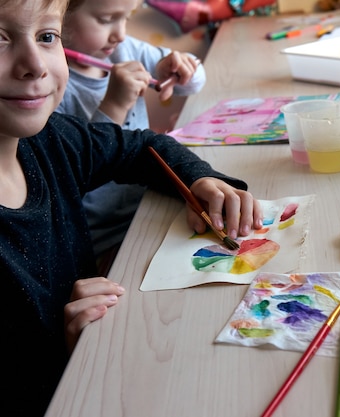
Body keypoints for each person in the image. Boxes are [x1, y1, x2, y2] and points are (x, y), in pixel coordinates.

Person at [0, 0, 262, 415]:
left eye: (46, 36)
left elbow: (142, 147)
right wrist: (68, 352)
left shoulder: (50, 142)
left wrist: (200, 180)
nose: (35, 64)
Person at [57, 0, 207, 261]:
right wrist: (114, 105)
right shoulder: (49, 85)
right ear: (60, 14)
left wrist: (177, 68)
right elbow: (78, 169)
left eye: (127, 17)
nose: (121, 33)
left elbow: (193, 82)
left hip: (148, 205)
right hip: (103, 238)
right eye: (106, 20)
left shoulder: (124, 49)